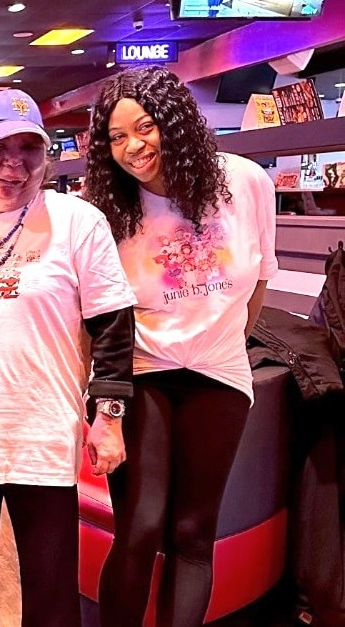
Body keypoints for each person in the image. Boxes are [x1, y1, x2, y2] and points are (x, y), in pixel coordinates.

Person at [0, 88, 136, 627]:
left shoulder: (76, 221)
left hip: (45, 434)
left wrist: (108, 419)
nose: (14, 164)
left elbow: (112, 324)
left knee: (49, 586)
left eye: (30, 149)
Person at [83, 65, 278, 627]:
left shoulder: (245, 183)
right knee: (141, 526)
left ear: (174, 121)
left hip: (219, 370)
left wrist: (221, 344)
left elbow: (258, 280)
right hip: (143, 369)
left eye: (144, 128)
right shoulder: (108, 209)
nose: (132, 148)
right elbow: (100, 312)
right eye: (116, 138)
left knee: (195, 531)